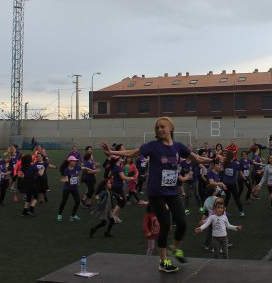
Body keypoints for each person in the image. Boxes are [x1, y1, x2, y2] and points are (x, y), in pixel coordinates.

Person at [101, 116, 213, 273]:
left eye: (163, 126)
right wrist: (111, 152)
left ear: (170, 128)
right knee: (165, 225)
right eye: (157, 128)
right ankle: (163, 261)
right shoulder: (153, 146)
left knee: (182, 223)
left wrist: (215, 159)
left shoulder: (179, 147)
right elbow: (133, 152)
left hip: (172, 191)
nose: (160, 129)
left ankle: (175, 247)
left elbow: (198, 158)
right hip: (156, 192)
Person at [56, 155, 81, 222]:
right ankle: (59, 214)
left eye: (76, 161)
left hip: (74, 188)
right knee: (64, 202)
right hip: (67, 188)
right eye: (74, 161)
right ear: (70, 162)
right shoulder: (66, 170)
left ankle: (73, 215)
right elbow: (64, 179)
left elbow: (78, 173)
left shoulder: (76, 167)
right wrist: (66, 179)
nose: (75, 162)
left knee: (78, 201)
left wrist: (78, 181)